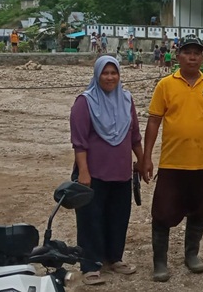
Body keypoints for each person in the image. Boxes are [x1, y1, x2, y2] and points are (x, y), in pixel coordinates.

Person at [141, 35, 203, 283]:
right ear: (178, 56)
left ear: (202, 57)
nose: (192, 57)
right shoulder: (165, 85)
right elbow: (154, 121)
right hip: (172, 163)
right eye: (187, 52)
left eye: (197, 53)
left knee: (199, 211)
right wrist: (147, 157)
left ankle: (192, 255)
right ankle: (160, 262)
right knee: (162, 213)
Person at [71, 56, 143, 286]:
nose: (110, 77)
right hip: (93, 173)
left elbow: (134, 136)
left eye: (114, 73)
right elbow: (79, 142)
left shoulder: (126, 99)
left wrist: (143, 161)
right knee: (90, 218)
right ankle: (90, 264)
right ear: (97, 75)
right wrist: (83, 172)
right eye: (105, 73)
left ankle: (114, 258)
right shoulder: (85, 102)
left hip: (121, 172)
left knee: (118, 217)